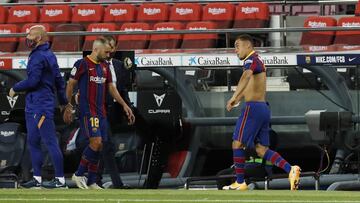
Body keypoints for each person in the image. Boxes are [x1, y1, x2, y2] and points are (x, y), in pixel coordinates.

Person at [223, 34, 301, 191]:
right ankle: (291, 169)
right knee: (261, 149)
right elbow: (252, 84)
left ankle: (240, 182)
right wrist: (240, 98)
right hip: (262, 107)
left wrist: (234, 96)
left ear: (249, 46)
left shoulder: (251, 60)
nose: (235, 50)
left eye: (238, 45)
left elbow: (246, 76)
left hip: (253, 108)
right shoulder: (256, 60)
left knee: (237, 143)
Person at [63, 37, 135, 189]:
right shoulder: (82, 64)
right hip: (88, 111)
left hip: (101, 112)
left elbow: (111, 87)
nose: (109, 55)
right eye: (106, 52)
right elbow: (70, 85)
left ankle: (93, 181)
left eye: (110, 52)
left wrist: (124, 105)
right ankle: (79, 173)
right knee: (95, 142)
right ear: (96, 49)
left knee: (101, 145)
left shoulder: (104, 66)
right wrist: (67, 105)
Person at [9, 25, 68, 189]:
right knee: (33, 141)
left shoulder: (38, 56)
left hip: (40, 105)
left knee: (49, 142)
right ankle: (37, 179)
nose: (27, 37)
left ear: (39, 37)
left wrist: (16, 87)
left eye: (30, 34)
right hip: (35, 104)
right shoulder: (50, 55)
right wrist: (63, 101)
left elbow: (33, 81)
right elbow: (59, 81)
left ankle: (60, 180)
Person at [97, 35, 134, 188]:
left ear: (115, 48)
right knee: (108, 145)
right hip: (99, 110)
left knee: (104, 146)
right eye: (107, 47)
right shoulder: (95, 65)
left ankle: (94, 179)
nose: (109, 50)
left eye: (112, 47)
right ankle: (117, 183)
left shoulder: (119, 65)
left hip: (114, 111)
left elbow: (122, 89)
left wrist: (128, 106)